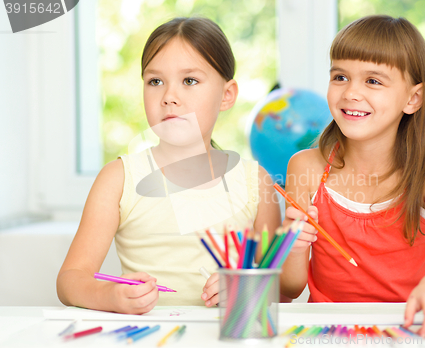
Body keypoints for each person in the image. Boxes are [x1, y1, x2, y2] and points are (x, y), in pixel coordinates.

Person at [57, 17, 280, 314]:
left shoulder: (255, 181)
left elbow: (282, 288)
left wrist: (245, 289)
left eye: (189, 81)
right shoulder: (119, 178)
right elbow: (70, 280)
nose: (169, 97)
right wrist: (109, 295)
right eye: (155, 81)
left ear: (227, 95)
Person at [280, 15, 425, 337]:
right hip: (324, 332)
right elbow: (291, 287)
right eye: (340, 77)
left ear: (413, 99)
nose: (351, 93)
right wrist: (293, 247)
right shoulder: (305, 168)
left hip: (404, 328)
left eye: (373, 81)